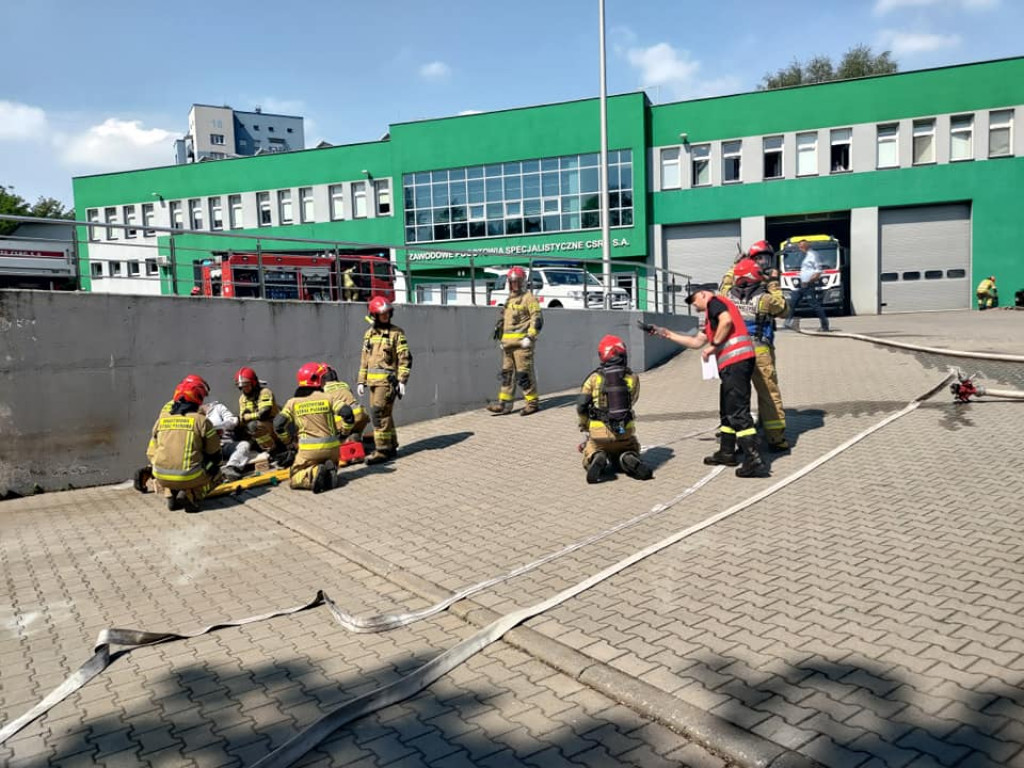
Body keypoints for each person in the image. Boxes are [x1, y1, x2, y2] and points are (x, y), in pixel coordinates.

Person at [648, 284, 769, 478]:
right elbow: (696, 342)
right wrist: (666, 333)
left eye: (693, 300)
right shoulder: (712, 314)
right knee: (728, 410)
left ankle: (754, 460)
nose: (693, 305)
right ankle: (727, 452)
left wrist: (713, 347)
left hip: (736, 362)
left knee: (738, 412)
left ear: (703, 294)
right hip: (733, 365)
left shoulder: (715, 302)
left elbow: (727, 321)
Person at [726, 247, 790, 451]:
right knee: (769, 393)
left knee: (737, 395)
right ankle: (776, 438)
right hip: (760, 350)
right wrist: (773, 283)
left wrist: (734, 266)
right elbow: (783, 308)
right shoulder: (765, 298)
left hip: (736, 352)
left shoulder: (727, 296)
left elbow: (725, 283)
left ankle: (735, 439)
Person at [576, 335, 653, 484]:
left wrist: (584, 425)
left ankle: (597, 457)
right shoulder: (633, 378)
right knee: (630, 447)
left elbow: (581, 405)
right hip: (624, 431)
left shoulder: (594, 378)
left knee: (590, 448)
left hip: (599, 432)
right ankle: (628, 457)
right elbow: (632, 400)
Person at [145, 376, 222, 513]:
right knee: (217, 472)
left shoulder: (162, 420)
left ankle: (170, 495)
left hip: (160, 475)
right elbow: (214, 454)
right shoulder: (201, 421)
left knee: (172, 463)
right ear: (197, 397)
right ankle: (193, 495)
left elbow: (153, 448)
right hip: (190, 476)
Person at [134, 374, 212, 493]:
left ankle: (152, 471)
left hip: (158, 452)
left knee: (168, 457)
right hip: (181, 452)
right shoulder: (191, 407)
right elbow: (196, 428)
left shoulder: (169, 406)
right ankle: (194, 493)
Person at [357, 297, 412, 464]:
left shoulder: (396, 334)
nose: (386, 317)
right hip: (373, 383)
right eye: (382, 314)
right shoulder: (369, 334)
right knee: (385, 414)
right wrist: (361, 380)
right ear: (374, 315)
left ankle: (382, 450)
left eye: (388, 313)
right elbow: (364, 359)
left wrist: (402, 380)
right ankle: (392, 445)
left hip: (387, 383)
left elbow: (405, 359)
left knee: (378, 414)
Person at [273, 362, 340, 493]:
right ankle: (328, 470)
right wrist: (343, 434)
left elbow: (278, 425)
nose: (324, 382)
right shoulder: (328, 398)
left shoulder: (293, 402)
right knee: (325, 462)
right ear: (316, 380)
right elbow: (347, 414)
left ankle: (314, 472)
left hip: (309, 452)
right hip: (333, 450)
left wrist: (288, 442)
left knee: (294, 477)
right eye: (322, 378)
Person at [487, 266, 544, 416]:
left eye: (517, 282)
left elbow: (537, 319)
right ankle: (504, 404)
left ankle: (532, 403)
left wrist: (530, 337)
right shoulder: (509, 299)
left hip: (522, 344)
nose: (514, 285)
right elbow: (505, 321)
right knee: (507, 375)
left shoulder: (528, 298)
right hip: (507, 345)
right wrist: (502, 339)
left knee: (523, 374)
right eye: (512, 282)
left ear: (523, 282)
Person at [236, 367, 293, 467]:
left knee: (253, 425)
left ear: (253, 383)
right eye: (242, 386)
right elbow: (242, 419)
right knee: (246, 428)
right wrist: (246, 418)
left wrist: (248, 416)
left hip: (274, 426)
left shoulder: (264, 392)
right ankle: (271, 452)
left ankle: (279, 450)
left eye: (247, 385)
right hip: (262, 429)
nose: (245, 389)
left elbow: (264, 413)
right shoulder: (242, 399)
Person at [202, 398, 253, 482]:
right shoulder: (192, 414)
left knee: (244, 445)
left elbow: (232, 421)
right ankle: (211, 474)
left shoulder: (218, 408)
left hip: (224, 445)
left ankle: (231, 468)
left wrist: (218, 427)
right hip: (208, 449)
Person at [783, 239, 830, 332]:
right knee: (793, 301)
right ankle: (788, 322)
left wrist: (810, 281)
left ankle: (825, 326)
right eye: (799, 246)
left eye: (801, 246)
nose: (799, 248)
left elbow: (818, 271)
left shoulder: (813, 255)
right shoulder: (804, 256)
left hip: (808, 285)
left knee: (815, 305)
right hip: (801, 285)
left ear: (806, 246)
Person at [322, 363, 369, 445]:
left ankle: (342, 441)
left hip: (347, 416)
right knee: (354, 430)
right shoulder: (344, 384)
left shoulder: (323, 390)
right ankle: (355, 439)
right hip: (361, 413)